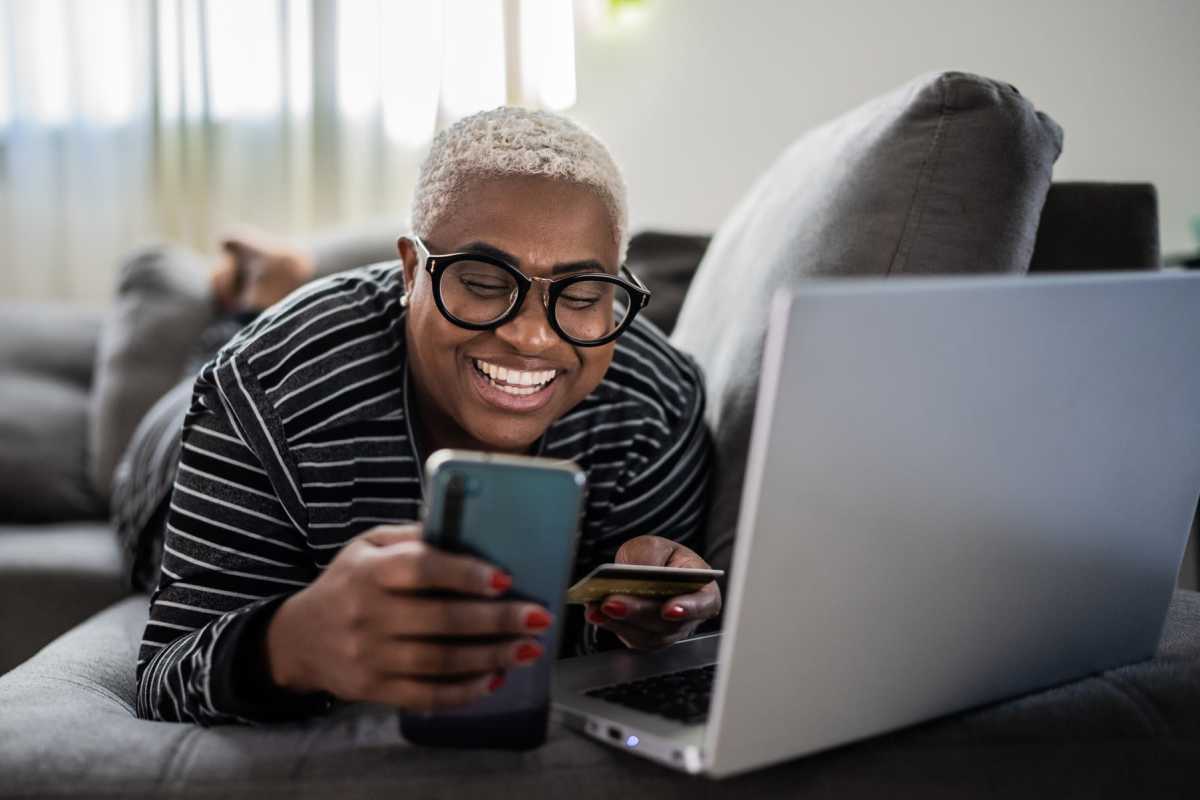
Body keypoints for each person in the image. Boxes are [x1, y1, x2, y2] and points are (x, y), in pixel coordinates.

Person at [134, 107, 716, 725]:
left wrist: (638, 624)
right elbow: (164, 677)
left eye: (579, 295)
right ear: (412, 271)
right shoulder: (258, 390)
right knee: (205, 363)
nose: (532, 338)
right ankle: (250, 298)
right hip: (164, 451)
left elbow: (625, 654)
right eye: (486, 282)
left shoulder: (656, 403)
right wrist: (289, 644)